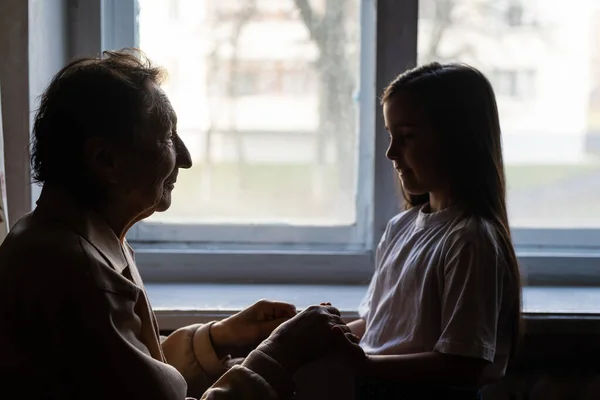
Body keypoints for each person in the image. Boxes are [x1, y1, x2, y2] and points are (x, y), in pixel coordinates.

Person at [0, 49, 362, 399]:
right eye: (168, 137)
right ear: (106, 160)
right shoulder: (79, 275)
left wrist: (218, 337)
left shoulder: (70, 241)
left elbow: (131, 379)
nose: (185, 159)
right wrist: (279, 354)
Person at [344, 62, 522, 399]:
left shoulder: (470, 241)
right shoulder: (401, 228)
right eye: (390, 135)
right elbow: (379, 326)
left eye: (408, 137)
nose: (391, 153)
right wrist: (324, 338)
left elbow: (462, 364)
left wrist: (360, 365)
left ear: (458, 139)